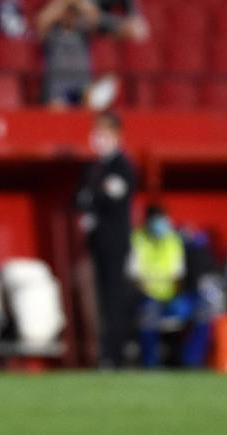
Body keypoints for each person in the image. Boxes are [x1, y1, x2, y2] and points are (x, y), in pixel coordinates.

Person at [75, 109, 137, 367]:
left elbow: (108, 196)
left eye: (102, 133)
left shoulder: (122, 165)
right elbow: (80, 198)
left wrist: (92, 200)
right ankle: (105, 352)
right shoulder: (95, 167)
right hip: (97, 243)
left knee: (114, 297)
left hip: (114, 242)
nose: (97, 138)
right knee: (100, 299)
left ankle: (116, 353)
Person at [128, 203, 207, 368]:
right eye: (156, 221)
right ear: (148, 222)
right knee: (148, 314)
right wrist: (151, 294)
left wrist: (176, 298)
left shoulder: (173, 240)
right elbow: (134, 277)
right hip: (147, 297)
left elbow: (179, 275)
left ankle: (189, 361)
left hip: (172, 297)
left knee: (204, 310)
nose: (160, 225)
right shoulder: (138, 240)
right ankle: (150, 363)